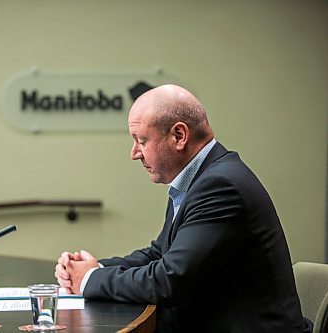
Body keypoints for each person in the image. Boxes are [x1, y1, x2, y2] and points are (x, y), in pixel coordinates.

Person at [54, 84, 312, 332]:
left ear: (179, 136)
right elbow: (160, 253)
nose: (134, 153)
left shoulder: (220, 186)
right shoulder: (199, 177)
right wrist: (95, 268)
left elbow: (170, 280)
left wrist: (90, 280)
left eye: (141, 140)